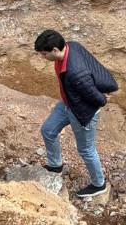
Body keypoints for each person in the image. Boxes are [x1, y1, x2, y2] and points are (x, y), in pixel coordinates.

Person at [35, 29, 117, 199]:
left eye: (44, 54)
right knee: (48, 130)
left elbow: (95, 97)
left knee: (86, 149)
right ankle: (55, 165)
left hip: (82, 112)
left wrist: (102, 98)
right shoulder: (71, 45)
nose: (44, 57)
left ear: (55, 51)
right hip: (68, 103)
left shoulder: (75, 73)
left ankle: (98, 184)